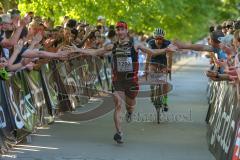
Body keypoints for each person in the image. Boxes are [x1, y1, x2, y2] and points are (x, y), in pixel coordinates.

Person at [72, 21, 177, 144]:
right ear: (116, 32)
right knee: (118, 105)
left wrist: (166, 49)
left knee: (130, 105)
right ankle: (119, 133)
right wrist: (79, 50)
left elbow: (152, 52)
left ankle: (130, 112)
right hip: (118, 81)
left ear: (126, 31)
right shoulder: (112, 46)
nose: (120, 32)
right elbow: (96, 52)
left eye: (122, 29)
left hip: (131, 82)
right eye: (118, 29)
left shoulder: (135, 45)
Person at [146, 28, 173, 111]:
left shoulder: (167, 44)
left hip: (163, 63)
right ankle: (152, 89)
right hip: (153, 62)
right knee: (152, 74)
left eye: (160, 38)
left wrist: (169, 67)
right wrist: (146, 68)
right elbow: (148, 56)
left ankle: (165, 102)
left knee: (164, 83)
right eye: (157, 38)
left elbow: (169, 56)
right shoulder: (150, 43)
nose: (159, 40)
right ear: (154, 38)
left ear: (163, 38)